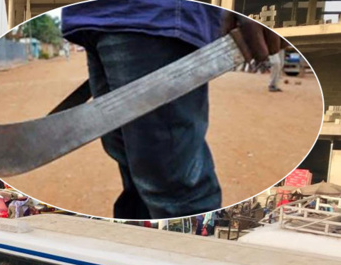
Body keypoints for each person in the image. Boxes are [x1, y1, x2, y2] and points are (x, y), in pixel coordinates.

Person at [60, 4, 277, 219]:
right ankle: (141, 250)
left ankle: (189, 252)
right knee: (134, 170)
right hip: (93, 20)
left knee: (174, 189)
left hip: (156, 16)